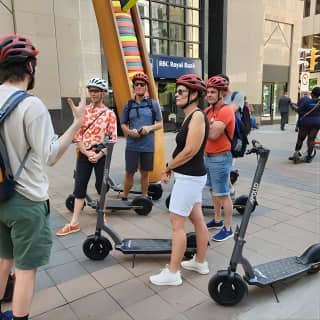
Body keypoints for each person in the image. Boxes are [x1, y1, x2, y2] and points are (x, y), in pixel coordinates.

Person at [0, 35, 86, 320]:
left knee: (3, 259)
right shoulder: (30, 105)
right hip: (26, 201)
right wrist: (76, 124)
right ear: (30, 67)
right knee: (25, 268)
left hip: (0, 195)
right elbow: (51, 156)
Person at [149, 74, 209, 286]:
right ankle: (200, 262)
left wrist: (168, 166)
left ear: (194, 94)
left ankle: (173, 273)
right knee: (198, 219)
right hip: (190, 177)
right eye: (176, 91)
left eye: (181, 91)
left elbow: (190, 150)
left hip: (190, 179)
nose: (176, 95)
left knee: (177, 225)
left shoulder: (198, 117)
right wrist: (171, 168)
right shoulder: (191, 116)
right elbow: (183, 150)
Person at [56, 78, 117, 236]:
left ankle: (102, 217)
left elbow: (112, 139)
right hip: (84, 153)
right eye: (91, 91)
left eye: (96, 91)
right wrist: (86, 152)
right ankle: (74, 222)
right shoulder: (83, 111)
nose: (93, 94)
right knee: (80, 186)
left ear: (103, 93)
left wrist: (99, 154)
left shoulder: (110, 114)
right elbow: (77, 135)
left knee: (101, 186)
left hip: (101, 154)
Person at [120, 73, 163, 200]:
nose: (139, 86)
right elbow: (122, 124)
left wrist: (149, 128)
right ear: (134, 87)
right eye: (136, 84)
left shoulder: (153, 104)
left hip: (148, 145)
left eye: (142, 84)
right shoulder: (128, 105)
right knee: (129, 172)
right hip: (132, 145)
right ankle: (124, 197)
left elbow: (160, 124)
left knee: (145, 174)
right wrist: (129, 132)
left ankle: (144, 198)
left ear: (146, 87)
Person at [204, 76, 235, 242]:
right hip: (207, 157)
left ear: (221, 93)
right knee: (212, 190)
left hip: (220, 158)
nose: (209, 95)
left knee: (223, 194)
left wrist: (206, 128)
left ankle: (228, 228)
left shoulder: (226, 110)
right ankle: (217, 219)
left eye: (213, 92)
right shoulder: (208, 111)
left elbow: (214, 134)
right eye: (208, 92)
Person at [217, 73, 244, 198]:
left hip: (232, 136)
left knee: (225, 166)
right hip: (218, 134)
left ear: (227, 84)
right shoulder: (217, 97)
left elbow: (230, 110)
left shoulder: (237, 95)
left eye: (223, 84)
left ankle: (229, 191)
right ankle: (227, 189)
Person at [289, 86, 320, 163]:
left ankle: (296, 153)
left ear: (312, 94)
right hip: (317, 123)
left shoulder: (307, 102)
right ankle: (309, 157)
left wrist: (293, 106)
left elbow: (299, 110)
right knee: (311, 140)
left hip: (305, 123)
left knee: (300, 138)